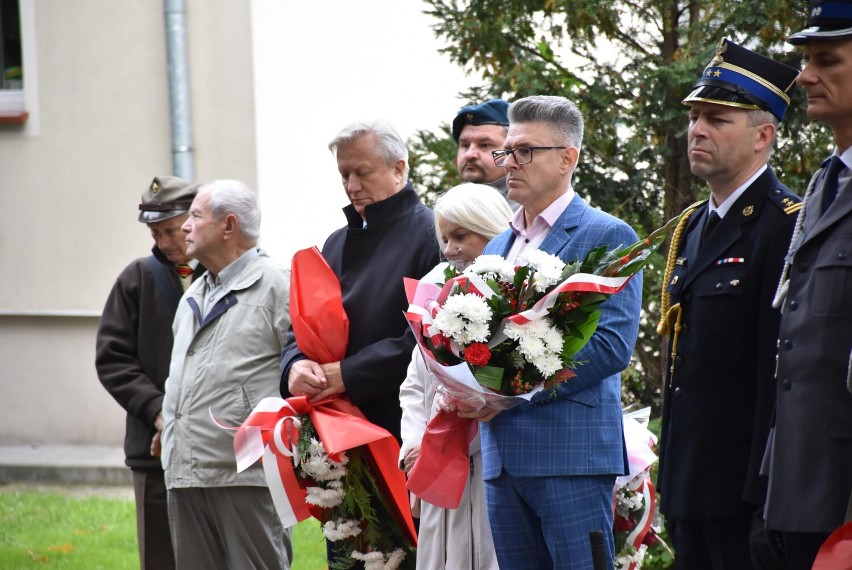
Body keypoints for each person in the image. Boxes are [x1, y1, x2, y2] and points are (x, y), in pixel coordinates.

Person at [445, 95, 643, 568]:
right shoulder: (498, 243)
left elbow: (610, 347)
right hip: (500, 459)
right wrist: (461, 381)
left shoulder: (609, 235)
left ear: (567, 158)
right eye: (507, 151)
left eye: (525, 150)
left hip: (570, 456)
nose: (509, 162)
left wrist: (510, 394)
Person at [654, 38, 801, 569]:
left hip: (744, 489)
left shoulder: (786, 224)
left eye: (718, 119)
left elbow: (777, 371)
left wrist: (765, 494)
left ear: (764, 136)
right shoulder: (693, 226)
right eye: (695, 117)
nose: (697, 130)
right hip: (689, 480)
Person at [280, 120, 441, 565]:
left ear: (399, 169)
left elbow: (429, 341)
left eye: (362, 172)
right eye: (344, 175)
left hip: (399, 430)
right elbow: (298, 327)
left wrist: (345, 375)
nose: (352, 185)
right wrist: (294, 367)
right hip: (337, 438)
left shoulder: (431, 234)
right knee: (348, 554)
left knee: (403, 553)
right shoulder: (335, 242)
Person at [160, 179, 292, 569]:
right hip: (184, 468)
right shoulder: (192, 295)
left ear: (228, 226)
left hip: (245, 474)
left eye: (196, 216)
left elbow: (304, 369)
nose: (185, 225)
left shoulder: (276, 285)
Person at [761, 3, 852, 568]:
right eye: (804, 59)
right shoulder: (825, 181)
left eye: (827, 60)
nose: (804, 76)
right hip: (802, 475)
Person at [399, 183, 512, 570]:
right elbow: (414, 383)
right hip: (437, 460)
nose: (449, 249)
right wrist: (415, 442)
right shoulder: (434, 292)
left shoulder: (518, 295)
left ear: (494, 229)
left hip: (492, 464)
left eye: (460, 236)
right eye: (445, 238)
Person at [95, 176, 205, 570]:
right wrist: (158, 411)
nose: (163, 242)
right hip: (153, 450)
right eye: (156, 233)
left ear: (195, 220)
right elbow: (113, 360)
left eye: (170, 231)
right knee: (160, 556)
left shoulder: (227, 274)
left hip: (216, 448)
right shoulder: (136, 279)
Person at [452, 99, 517, 209]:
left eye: (485, 145)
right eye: (465, 145)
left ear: (512, 150)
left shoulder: (528, 213)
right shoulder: (450, 209)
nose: (470, 154)